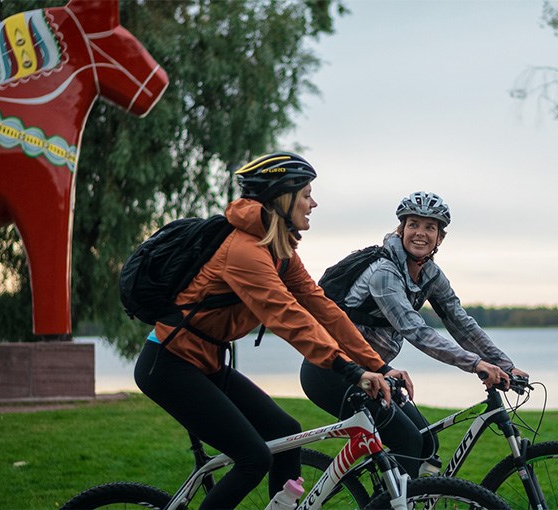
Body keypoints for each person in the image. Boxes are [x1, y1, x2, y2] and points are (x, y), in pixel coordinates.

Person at [134, 152, 412, 509]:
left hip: (207, 364)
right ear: (283, 197)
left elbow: (322, 308)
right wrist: (350, 370)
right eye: (307, 193)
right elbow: (289, 318)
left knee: (286, 434)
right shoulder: (244, 251)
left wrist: (379, 365)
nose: (314, 203)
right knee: (253, 458)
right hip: (169, 366)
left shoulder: (279, 250)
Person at [300, 191, 528, 478]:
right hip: (332, 372)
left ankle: (398, 496)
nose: (421, 233)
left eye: (430, 227)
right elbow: (414, 329)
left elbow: (461, 323)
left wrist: (504, 364)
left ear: (440, 238)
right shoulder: (383, 272)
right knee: (407, 440)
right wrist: (475, 364)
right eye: (414, 225)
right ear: (401, 229)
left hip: (374, 374)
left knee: (425, 441)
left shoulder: (430, 275)